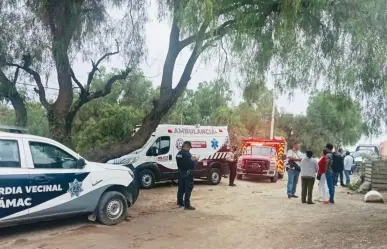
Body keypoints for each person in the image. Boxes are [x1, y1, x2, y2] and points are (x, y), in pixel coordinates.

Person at [176, 141, 197, 210]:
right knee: (188, 188)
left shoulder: (178, 154)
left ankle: (180, 202)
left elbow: (180, 164)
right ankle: (187, 205)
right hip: (188, 174)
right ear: (186, 146)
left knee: (181, 189)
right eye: (189, 147)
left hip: (181, 173)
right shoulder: (187, 155)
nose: (189, 149)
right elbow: (191, 164)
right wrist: (195, 160)